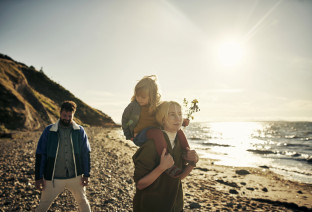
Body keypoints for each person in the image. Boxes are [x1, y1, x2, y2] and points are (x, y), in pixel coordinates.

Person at [132, 101, 199, 212]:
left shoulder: (179, 143)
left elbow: (179, 177)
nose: (178, 118)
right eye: (172, 114)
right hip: (150, 207)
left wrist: (193, 162)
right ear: (162, 119)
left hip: (175, 206)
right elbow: (140, 184)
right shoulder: (151, 145)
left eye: (179, 114)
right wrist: (161, 168)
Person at [122, 75, 191, 177]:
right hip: (140, 135)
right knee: (156, 132)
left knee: (178, 130)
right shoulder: (133, 107)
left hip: (153, 131)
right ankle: (167, 161)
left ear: (153, 96)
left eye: (143, 97)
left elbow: (166, 115)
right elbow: (125, 120)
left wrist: (183, 121)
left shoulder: (157, 106)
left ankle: (187, 152)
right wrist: (129, 135)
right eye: (137, 95)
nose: (139, 99)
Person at [35, 101, 91, 212]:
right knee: (43, 205)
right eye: (65, 115)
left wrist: (86, 174)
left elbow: (86, 153)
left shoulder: (79, 131)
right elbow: (41, 154)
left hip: (75, 176)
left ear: (73, 115)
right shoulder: (49, 131)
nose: (67, 118)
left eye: (70, 116)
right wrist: (38, 177)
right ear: (60, 113)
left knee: (83, 202)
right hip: (53, 177)